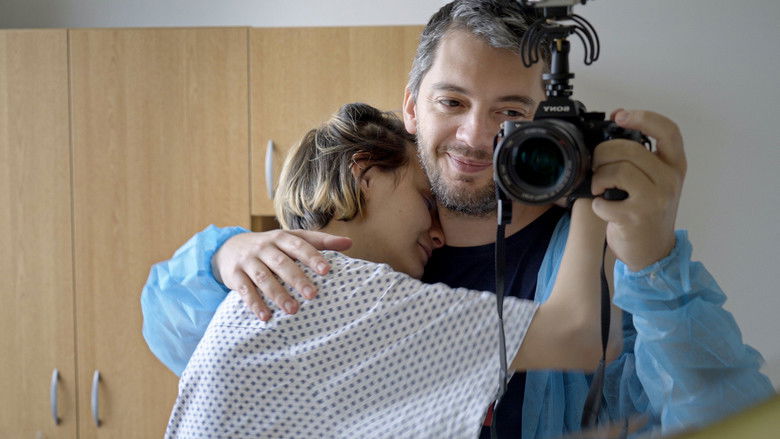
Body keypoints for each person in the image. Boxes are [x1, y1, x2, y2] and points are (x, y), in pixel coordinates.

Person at [143, 1, 775, 437]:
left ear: (546, 120)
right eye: (452, 101)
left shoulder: (610, 262)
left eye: (510, 111)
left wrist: (655, 258)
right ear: (412, 108)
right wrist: (223, 256)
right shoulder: (341, 267)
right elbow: (180, 335)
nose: (475, 137)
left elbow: (727, 420)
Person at [164, 103, 616, 438]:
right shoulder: (349, 291)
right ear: (365, 172)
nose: (438, 235)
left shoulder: (269, 290)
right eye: (427, 200)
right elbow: (581, 335)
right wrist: (588, 187)